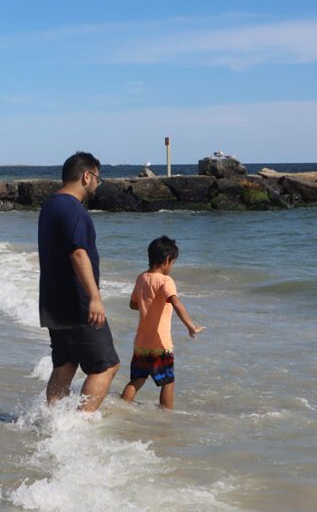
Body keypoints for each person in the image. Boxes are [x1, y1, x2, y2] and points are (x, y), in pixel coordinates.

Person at [38, 152, 119, 412]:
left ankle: (52, 421)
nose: (97, 185)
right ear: (87, 176)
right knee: (106, 366)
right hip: (77, 303)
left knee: (66, 363)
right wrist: (94, 297)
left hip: (53, 303)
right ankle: (78, 427)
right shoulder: (74, 210)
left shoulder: (50, 206)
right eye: (97, 179)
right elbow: (78, 253)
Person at [121, 236, 205, 409]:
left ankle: (122, 406)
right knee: (168, 381)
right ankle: (166, 416)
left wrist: (147, 306)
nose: (172, 267)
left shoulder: (141, 278)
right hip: (161, 343)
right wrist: (191, 326)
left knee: (137, 379)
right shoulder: (166, 281)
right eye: (173, 263)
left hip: (141, 343)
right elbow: (176, 302)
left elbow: (132, 304)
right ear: (167, 260)